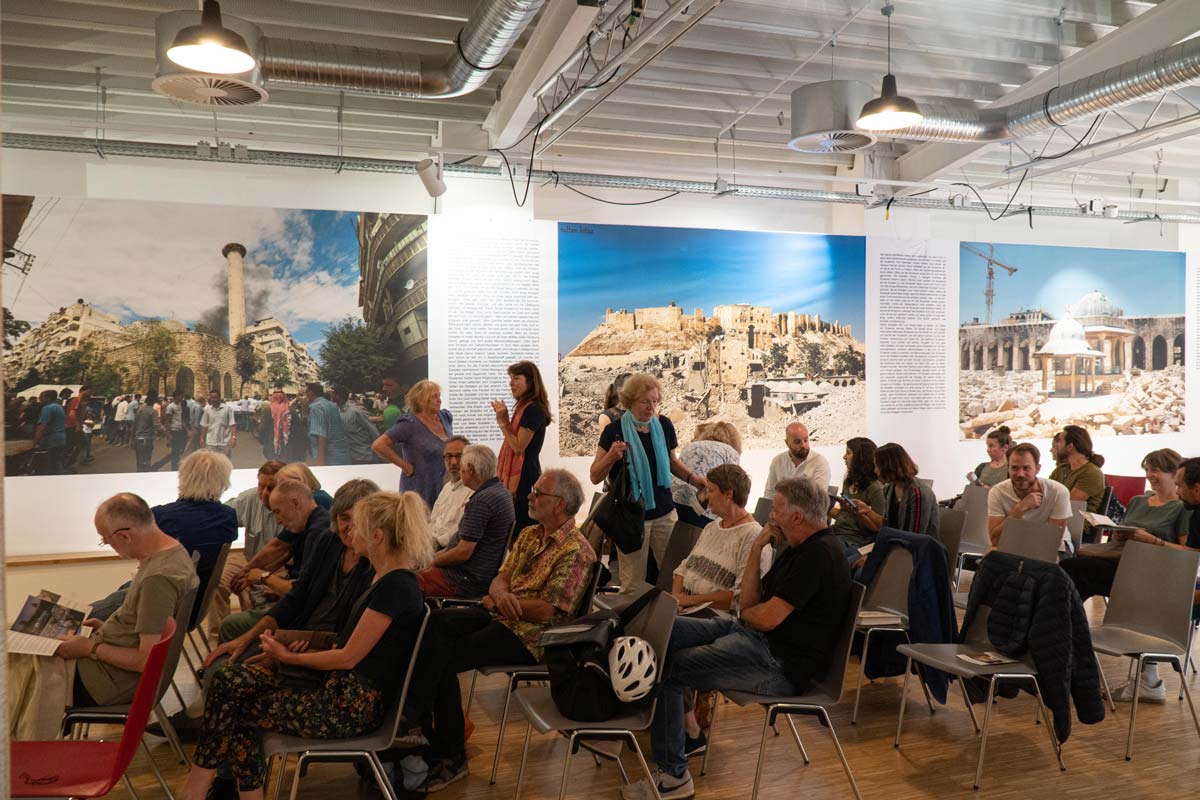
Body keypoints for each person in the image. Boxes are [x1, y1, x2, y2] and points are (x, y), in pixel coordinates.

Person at [181, 489, 428, 800]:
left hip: (349, 706)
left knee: (235, 700)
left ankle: (196, 790)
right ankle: (206, 790)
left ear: (377, 537)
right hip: (339, 690)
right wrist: (287, 655)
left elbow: (348, 657)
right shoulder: (385, 580)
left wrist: (287, 657)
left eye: (358, 527)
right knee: (227, 683)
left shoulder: (395, 585)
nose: (350, 533)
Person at [625, 477, 851, 800]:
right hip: (753, 636)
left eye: (777, 510)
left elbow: (766, 616)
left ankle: (674, 776)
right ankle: (677, 735)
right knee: (660, 630)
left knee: (667, 667)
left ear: (797, 517)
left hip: (778, 664)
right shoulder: (797, 548)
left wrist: (745, 615)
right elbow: (749, 602)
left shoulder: (820, 555)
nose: (771, 516)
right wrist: (757, 548)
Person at [409, 469, 596, 792]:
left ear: (559, 504)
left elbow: (548, 611)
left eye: (538, 492)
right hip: (501, 614)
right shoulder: (530, 534)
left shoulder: (576, 550)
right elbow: (502, 576)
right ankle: (421, 730)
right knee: (433, 624)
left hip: (533, 636)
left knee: (442, 658)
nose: (530, 496)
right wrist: (499, 596)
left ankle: (448, 752)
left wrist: (503, 601)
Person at [8, 494, 198, 740]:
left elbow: (145, 661)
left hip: (106, 681)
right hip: (106, 669)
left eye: (106, 540)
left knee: (13, 665)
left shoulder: (157, 579)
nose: (109, 546)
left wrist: (90, 648)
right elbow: (139, 625)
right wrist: (107, 629)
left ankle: (19, 752)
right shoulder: (174, 553)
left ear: (124, 536)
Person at [1061, 449, 1192, 703]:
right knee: (1068, 572)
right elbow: (1118, 538)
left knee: (1072, 573)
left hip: (1153, 574)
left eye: (1155, 470)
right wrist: (1119, 533)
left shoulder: (1181, 508)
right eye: (1147, 469)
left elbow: (1185, 554)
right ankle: (1066, 641)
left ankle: (1066, 644)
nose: (1149, 475)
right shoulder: (1139, 501)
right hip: (1122, 564)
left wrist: (1148, 539)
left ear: (1173, 473)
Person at [90, 451, 239, 624]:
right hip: (194, 604)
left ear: (183, 478)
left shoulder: (159, 517)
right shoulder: (227, 517)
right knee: (121, 592)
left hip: (162, 601)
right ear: (222, 482)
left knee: (87, 614)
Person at [591, 373, 705, 593]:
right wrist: (611, 456)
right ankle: (631, 615)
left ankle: (673, 614)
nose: (651, 407)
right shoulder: (614, 431)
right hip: (632, 517)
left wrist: (693, 479)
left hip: (664, 511)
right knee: (632, 581)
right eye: (644, 402)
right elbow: (595, 475)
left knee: (675, 575)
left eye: (654, 401)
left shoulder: (663, 425)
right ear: (630, 401)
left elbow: (672, 462)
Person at [416, 444, 515, 599]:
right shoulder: (500, 491)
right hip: (474, 574)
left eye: (462, 466)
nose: (459, 469)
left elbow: (462, 553)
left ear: (471, 470)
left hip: (464, 579)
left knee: (402, 579)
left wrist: (428, 562)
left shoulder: (482, 501)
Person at [671, 464, 766, 614]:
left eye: (711, 490)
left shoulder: (753, 535)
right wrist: (676, 599)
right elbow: (684, 568)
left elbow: (740, 596)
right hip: (685, 608)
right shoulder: (712, 526)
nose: (706, 496)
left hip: (714, 616)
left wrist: (691, 600)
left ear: (728, 494)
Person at [210, 461, 287, 640]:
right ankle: (219, 638)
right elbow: (218, 518)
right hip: (248, 558)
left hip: (282, 565)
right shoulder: (248, 499)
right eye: (261, 486)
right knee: (216, 582)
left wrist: (256, 574)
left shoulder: (292, 504)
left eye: (271, 487)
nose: (264, 493)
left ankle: (254, 635)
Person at [372, 380, 453, 509]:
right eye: (434, 396)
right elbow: (378, 445)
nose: (439, 400)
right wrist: (406, 467)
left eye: (439, 396)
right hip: (420, 488)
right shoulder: (409, 424)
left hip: (444, 485)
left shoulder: (445, 417)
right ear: (421, 400)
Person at [493, 360, 552, 533]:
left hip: (525, 477)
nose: (511, 383)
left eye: (516, 378)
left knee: (522, 528)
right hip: (525, 474)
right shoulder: (523, 408)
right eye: (510, 378)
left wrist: (503, 422)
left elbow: (518, 447)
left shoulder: (533, 409)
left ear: (530, 381)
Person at [985, 442, 1072, 546]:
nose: (1020, 474)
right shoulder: (997, 492)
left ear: (1037, 469)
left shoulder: (1058, 492)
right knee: (990, 553)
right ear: (1008, 468)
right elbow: (995, 540)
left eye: (1026, 468)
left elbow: (1052, 542)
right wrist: (1018, 509)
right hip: (1014, 546)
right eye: (1014, 468)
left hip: (1055, 549)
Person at [856, 443, 938, 537]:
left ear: (888, 466)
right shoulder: (889, 489)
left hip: (918, 545)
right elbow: (888, 526)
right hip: (899, 541)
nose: (875, 471)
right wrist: (868, 511)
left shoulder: (918, 492)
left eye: (877, 466)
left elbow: (916, 537)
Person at [671, 421, 742, 528]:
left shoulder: (690, 446)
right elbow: (734, 485)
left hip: (675, 500)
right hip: (704, 508)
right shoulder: (730, 452)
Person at [828, 437, 887, 562]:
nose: (844, 457)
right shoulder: (848, 482)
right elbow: (843, 517)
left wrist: (858, 513)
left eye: (848, 453)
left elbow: (877, 528)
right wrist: (825, 507)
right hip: (837, 533)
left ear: (860, 458)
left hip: (855, 541)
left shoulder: (875, 488)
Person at [762, 421, 831, 498]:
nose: (803, 445)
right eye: (797, 442)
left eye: (806, 440)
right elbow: (770, 494)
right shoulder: (777, 461)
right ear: (787, 443)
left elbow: (817, 499)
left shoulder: (819, 462)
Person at [429, 436, 474, 549]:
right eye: (449, 456)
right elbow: (433, 521)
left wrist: (435, 544)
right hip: (430, 545)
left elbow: (461, 531)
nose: (453, 462)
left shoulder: (473, 490)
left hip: (447, 549)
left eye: (459, 456)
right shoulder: (446, 488)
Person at [1054, 425, 1107, 513]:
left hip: (1075, 520)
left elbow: (1067, 505)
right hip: (1055, 517)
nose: (1056, 445)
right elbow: (1044, 493)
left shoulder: (1092, 473)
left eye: (1059, 441)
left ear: (1070, 446)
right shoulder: (1062, 469)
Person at [305, 382, 350, 466]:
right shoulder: (332, 405)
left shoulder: (316, 407)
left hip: (329, 458)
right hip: (341, 455)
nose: (306, 395)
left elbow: (321, 436)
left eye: (306, 392)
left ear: (311, 392)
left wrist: (320, 462)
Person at [333, 387, 379, 465]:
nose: (331, 395)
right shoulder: (339, 411)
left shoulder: (355, 411)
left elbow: (373, 430)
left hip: (365, 455)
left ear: (338, 396)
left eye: (333, 393)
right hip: (352, 455)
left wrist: (378, 451)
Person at [30, 388, 67, 474]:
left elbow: (41, 427)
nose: (39, 398)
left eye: (41, 396)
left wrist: (34, 444)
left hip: (51, 440)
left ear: (48, 398)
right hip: (61, 438)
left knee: (46, 467)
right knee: (55, 464)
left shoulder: (47, 408)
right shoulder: (59, 407)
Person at [152, 389, 190, 471]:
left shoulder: (179, 405)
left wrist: (187, 430)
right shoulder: (170, 407)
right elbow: (167, 421)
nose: (182, 398)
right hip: (173, 431)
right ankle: (170, 468)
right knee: (175, 452)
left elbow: (181, 419)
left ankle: (163, 466)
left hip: (179, 430)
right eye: (181, 396)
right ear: (176, 396)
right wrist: (168, 434)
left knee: (177, 452)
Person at [132, 390, 162, 472]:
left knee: (139, 463)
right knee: (146, 463)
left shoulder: (140, 409)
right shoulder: (153, 411)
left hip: (138, 439)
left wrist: (131, 439)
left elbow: (134, 425)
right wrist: (166, 432)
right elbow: (157, 426)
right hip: (147, 440)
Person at [201, 391, 237, 456]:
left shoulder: (227, 409)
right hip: (211, 443)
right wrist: (202, 438)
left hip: (224, 442)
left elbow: (232, 424)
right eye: (211, 398)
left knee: (225, 461)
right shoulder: (207, 410)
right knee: (212, 461)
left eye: (215, 397)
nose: (213, 399)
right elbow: (204, 425)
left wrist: (233, 438)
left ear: (219, 397)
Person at [266, 390, 290, 460]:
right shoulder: (291, 410)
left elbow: (262, 429)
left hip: (271, 442)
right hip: (287, 443)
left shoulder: (267, 410)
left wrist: (265, 441)